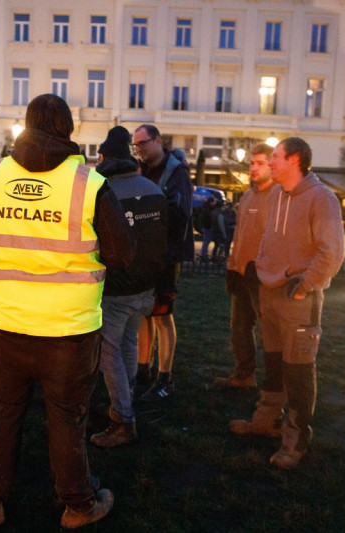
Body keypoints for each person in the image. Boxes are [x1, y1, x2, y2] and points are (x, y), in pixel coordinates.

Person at [0, 94, 133, 529]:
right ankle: (78, 504)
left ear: (26, 127)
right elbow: (122, 254)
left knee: (4, 414)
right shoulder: (88, 184)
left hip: (3, 328)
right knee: (67, 420)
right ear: (68, 130)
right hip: (69, 334)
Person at [253, 137, 344, 469]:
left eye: (275, 157)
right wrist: (263, 266)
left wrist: (306, 286)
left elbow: (331, 252)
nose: (269, 162)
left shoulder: (322, 199)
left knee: (298, 369)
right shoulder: (278, 194)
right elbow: (268, 238)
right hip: (271, 291)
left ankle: (295, 440)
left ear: (294, 160)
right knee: (274, 362)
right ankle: (266, 419)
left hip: (298, 297)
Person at [90, 126, 168, 448]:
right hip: (144, 288)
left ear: (104, 157)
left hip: (116, 288)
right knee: (128, 346)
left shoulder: (103, 192)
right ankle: (127, 398)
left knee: (109, 352)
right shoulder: (153, 189)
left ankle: (122, 419)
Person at [132, 124, 193, 402]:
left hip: (167, 255)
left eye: (143, 144)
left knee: (163, 315)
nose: (139, 150)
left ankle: (165, 378)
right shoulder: (142, 170)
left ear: (157, 141)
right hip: (147, 254)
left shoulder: (176, 171)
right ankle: (143, 369)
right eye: (136, 146)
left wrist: (147, 211)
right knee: (146, 311)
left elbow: (178, 214)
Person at [215, 143, 277, 398]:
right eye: (252, 163)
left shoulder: (279, 196)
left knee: (270, 335)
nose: (254, 168)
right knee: (239, 328)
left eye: (260, 163)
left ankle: (274, 390)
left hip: (264, 279)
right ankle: (244, 375)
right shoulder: (248, 196)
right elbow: (238, 236)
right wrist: (232, 266)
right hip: (241, 275)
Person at [198, 197, 216, 261]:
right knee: (206, 242)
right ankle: (203, 255)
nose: (214, 203)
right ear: (210, 202)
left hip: (205, 226)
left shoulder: (204, 208)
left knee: (205, 241)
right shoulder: (208, 209)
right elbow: (209, 218)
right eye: (213, 202)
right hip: (208, 227)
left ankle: (203, 254)